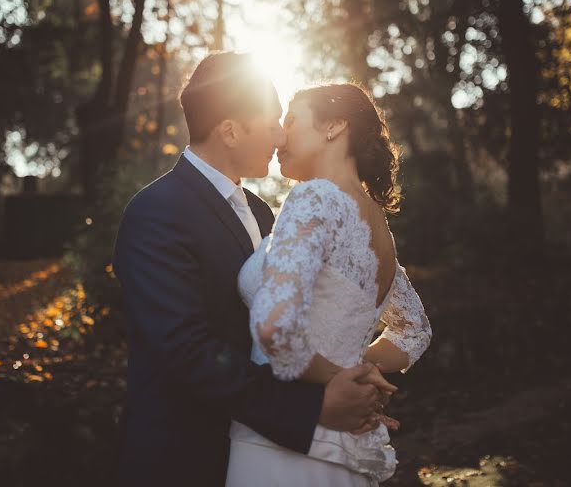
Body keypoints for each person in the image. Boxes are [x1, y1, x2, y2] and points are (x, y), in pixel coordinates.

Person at [113, 53, 395, 487]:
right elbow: (185, 348)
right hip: (186, 457)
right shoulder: (156, 212)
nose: (281, 133)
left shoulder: (266, 213)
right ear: (230, 130)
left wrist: (345, 376)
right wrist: (312, 408)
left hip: (264, 450)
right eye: (271, 121)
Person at [226, 83, 432, 486]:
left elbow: (275, 328)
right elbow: (415, 330)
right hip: (343, 447)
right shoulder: (379, 227)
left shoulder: (314, 199)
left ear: (334, 126)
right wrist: (362, 373)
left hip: (280, 452)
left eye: (292, 120)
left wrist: (341, 378)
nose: (280, 135)